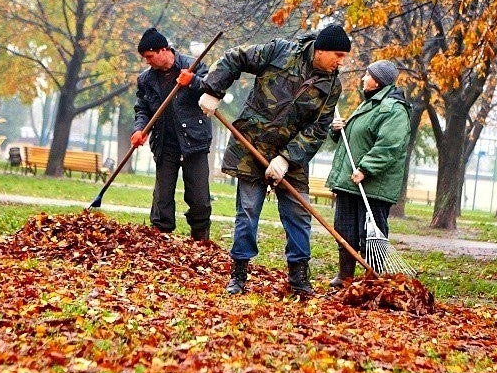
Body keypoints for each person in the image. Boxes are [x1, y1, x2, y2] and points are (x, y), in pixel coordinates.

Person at [181, 23, 351, 295]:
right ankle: (239, 274)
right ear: (320, 50)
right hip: (252, 145)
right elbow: (236, 57)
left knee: (299, 214)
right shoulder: (281, 52)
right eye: (338, 55)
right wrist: (213, 90)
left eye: (344, 56)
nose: (341, 61)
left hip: (292, 156)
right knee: (247, 212)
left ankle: (298, 278)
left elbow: (318, 129)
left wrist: (286, 159)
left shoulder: (332, 86)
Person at [325, 60, 412, 286]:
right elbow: (357, 138)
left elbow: (390, 145)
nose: (363, 78)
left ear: (378, 81)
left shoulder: (393, 108)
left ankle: (372, 280)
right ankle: (345, 276)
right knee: (345, 230)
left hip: (372, 185)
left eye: (367, 75)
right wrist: (339, 129)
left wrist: (366, 168)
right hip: (350, 183)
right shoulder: (369, 104)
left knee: (372, 234)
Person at [131, 27, 213, 241]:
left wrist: (193, 81)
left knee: (199, 199)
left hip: (194, 142)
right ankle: (160, 240)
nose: (147, 62)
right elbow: (142, 108)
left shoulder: (193, 66)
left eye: (149, 57)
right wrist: (139, 129)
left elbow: (213, 89)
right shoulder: (146, 80)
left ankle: (200, 240)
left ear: (163, 50)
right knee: (162, 197)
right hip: (165, 142)